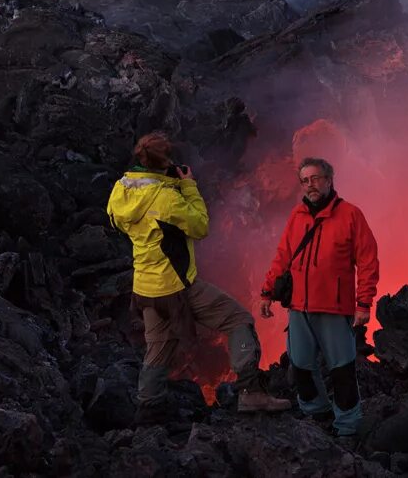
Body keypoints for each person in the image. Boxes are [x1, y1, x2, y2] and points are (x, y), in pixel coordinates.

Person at [107, 131, 291, 422]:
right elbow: (200, 226)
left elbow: (116, 220)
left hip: (145, 286)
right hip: (177, 286)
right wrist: (189, 187)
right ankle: (250, 392)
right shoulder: (166, 198)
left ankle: (148, 409)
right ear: (164, 163)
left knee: (158, 346)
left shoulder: (121, 191)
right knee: (237, 319)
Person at [260, 157, 380, 438]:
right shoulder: (297, 216)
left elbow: (367, 261)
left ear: (329, 180)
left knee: (342, 369)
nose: (310, 185)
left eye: (315, 178)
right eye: (304, 180)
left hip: (335, 308)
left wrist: (364, 303)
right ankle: (317, 413)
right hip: (299, 308)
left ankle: (348, 427)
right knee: (300, 365)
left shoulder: (351, 215)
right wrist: (266, 292)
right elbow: (283, 257)